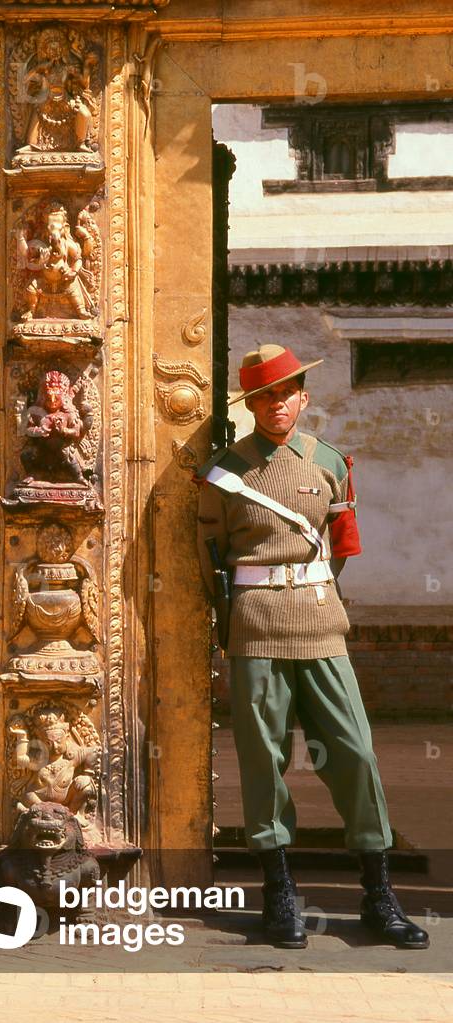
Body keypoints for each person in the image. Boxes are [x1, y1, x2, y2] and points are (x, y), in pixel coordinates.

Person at [195, 344, 429, 951]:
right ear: (251, 404)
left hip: (322, 626)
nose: (279, 405)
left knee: (354, 754)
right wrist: (233, 621)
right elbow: (210, 557)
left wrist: (312, 593)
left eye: (288, 392)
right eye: (266, 395)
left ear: (303, 395)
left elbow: (344, 545)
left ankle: (378, 897)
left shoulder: (329, 462)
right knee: (262, 761)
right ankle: (280, 895)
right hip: (254, 629)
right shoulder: (225, 472)